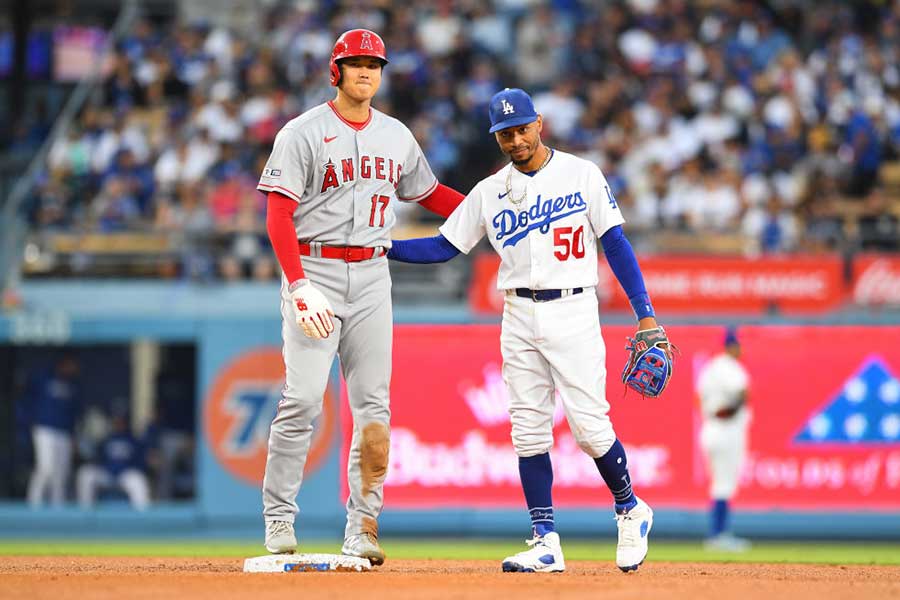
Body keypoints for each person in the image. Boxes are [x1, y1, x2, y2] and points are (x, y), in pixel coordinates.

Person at [387, 88, 672, 573]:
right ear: (495, 136)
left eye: (521, 128)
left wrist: (644, 312)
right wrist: (383, 247)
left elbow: (616, 244)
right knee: (527, 430)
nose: (515, 140)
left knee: (589, 427)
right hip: (517, 313)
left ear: (538, 123)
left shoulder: (581, 174)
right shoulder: (488, 191)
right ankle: (544, 539)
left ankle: (629, 508)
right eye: (505, 133)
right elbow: (442, 247)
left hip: (574, 307)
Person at [257, 29, 464, 563]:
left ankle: (363, 525)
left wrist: (488, 207)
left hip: (373, 275)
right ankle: (279, 516)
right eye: (357, 64)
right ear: (337, 71)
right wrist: (298, 284)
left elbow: (432, 194)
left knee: (374, 410)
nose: (367, 72)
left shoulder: (396, 136)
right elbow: (278, 213)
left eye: (375, 64)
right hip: (316, 270)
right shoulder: (303, 131)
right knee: (302, 398)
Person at [696, 327, 752, 551]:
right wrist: (729, 412)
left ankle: (718, 534)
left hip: (711, 428)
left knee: (720, 483)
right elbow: (743, 392)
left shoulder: (711, 367)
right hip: (726, 430)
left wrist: (715, 413)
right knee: (724, 485)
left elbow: (698, 398)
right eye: (739, 345)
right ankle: (719, 535)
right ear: (733, 345)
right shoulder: (730, 367)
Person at [25, 352, 82, 508]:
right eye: (70, 365)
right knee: (46, 468)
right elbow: (28, 400)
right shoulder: (44, 378)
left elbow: (74, 414)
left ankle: (58, 505)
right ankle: (34, 503)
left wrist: (73, 436)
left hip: (64, 432)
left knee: (61, 472)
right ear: (63, 363)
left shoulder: (73, 385)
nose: (73, 368)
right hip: (45, 430)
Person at [76, 411, 151, 511]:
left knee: (138, 481)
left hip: (125, 476)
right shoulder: (107, 439)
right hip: (107, 475)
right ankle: (85, 512)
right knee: (86, 473)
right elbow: (97, 459)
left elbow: (140, 462)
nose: (119, 423)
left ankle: (143, 517)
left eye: (121, 421)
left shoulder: (133, 440)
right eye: (116, 421)